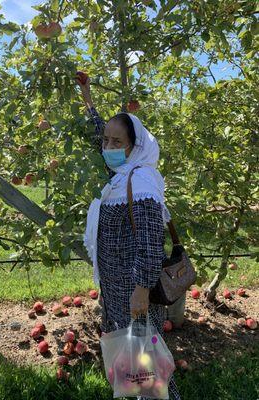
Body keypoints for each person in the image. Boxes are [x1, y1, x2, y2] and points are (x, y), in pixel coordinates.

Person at [76, 75, 181, 400]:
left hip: (133, 295)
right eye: (106, 141)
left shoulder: (142, 181)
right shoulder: (120, 177)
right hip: (117, 292)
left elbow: (151, 246)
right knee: (137, 368)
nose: (108, 147)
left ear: (135, 147)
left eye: (116, 143)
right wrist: (88, 99)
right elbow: (101, 134)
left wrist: (140, 292)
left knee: (148, 371)